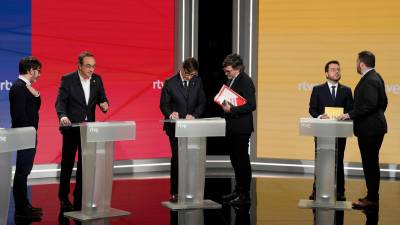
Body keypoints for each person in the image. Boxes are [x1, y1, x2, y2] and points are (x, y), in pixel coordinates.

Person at [55, 51, 109, 211]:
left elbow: (102, 97)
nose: (91, 69)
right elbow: (60, 102)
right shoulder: (68, 79)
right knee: (68, 163)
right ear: (79, 66)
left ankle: (80, 194)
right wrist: (62, 116)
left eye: (93, 66)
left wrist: (104, 104)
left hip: (89, 129)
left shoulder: (97, 80)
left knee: (85, 164)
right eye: (88, 66)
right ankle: (63, 197)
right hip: (72, 128)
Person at [337, 51, 387, 210]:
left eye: (356, 62)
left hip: (370, 130)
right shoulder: (376, 77)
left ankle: (372, 199)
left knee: (370, 164)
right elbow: (384, 102)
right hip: (374, 128)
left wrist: (349, 114)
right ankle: (372, 196)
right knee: (371, 163)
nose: (356, 65)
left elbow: (371, 104)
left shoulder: (370, 80)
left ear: (362, 64)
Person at [159, 57, 206, 202]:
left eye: (193, 75)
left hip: (192, 127)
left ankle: (190, 189)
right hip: (175, 127)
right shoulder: (170, 83)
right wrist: (170, 113)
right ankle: (175, 191)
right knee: (178, 158)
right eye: (188, 74)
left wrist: (195, 115)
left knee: (192, 158)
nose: (190, 77)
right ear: (183, 69)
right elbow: (164, 105)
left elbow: (202, 102)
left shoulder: (197, 81)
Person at [308, 60, 353, 201]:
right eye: (333, 69)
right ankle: (316, 190)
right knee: (321, 161)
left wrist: (345, 116)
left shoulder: (346, 90)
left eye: (338, 69)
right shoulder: (317, 89)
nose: (337, 72)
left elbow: (351, 110)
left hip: (339, 132)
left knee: (339, 161)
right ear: (326, 73)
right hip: (322, 132)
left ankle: (340, 191)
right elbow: (312, 109)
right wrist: (321, 116)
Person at [9, 56, 43, 220]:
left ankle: (25, 205)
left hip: (29, 134)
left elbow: (34, 108)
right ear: (31, 70)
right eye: (38, 71)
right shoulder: (18, 88)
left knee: (25, 171)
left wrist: (36, 96)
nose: (39, 74)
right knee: (22, 173)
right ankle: (21, 209)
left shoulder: (26, 87)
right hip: (24, 136)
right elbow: (19, 116)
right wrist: (29, 132)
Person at [220, 53, 256, 206]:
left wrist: (231, 110)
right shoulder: (232, 80)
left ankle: (244, 194)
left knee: (242, 161)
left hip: (241, 128)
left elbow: (251, 105)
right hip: (232, 127)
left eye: (228, 71)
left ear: (237, 68)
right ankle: (238, 190)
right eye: (225, 71)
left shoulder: (245, 80)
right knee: (235, 160)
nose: (226, 73)